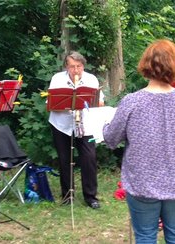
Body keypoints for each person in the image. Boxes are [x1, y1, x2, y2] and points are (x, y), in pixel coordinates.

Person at [103, 39, 175, 243]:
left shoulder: (132, 102)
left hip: (143, 183)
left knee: (145, 237)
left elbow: (111, 139)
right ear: (173, 66)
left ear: (146, 65)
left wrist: (106, 123)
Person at [48, 51, 104, 209]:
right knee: (65, 159)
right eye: (72, 67)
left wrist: (95, 102)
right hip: (61, 125)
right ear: (66, 66)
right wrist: (66, 103)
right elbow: (51, 102)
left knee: (89, 158)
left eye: (79, 66)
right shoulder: (57, 79)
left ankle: (91, 196)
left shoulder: (91, 79)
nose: (76, 70)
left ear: (83, 66)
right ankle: (67, 195)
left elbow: (100, 100)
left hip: (86, 125)